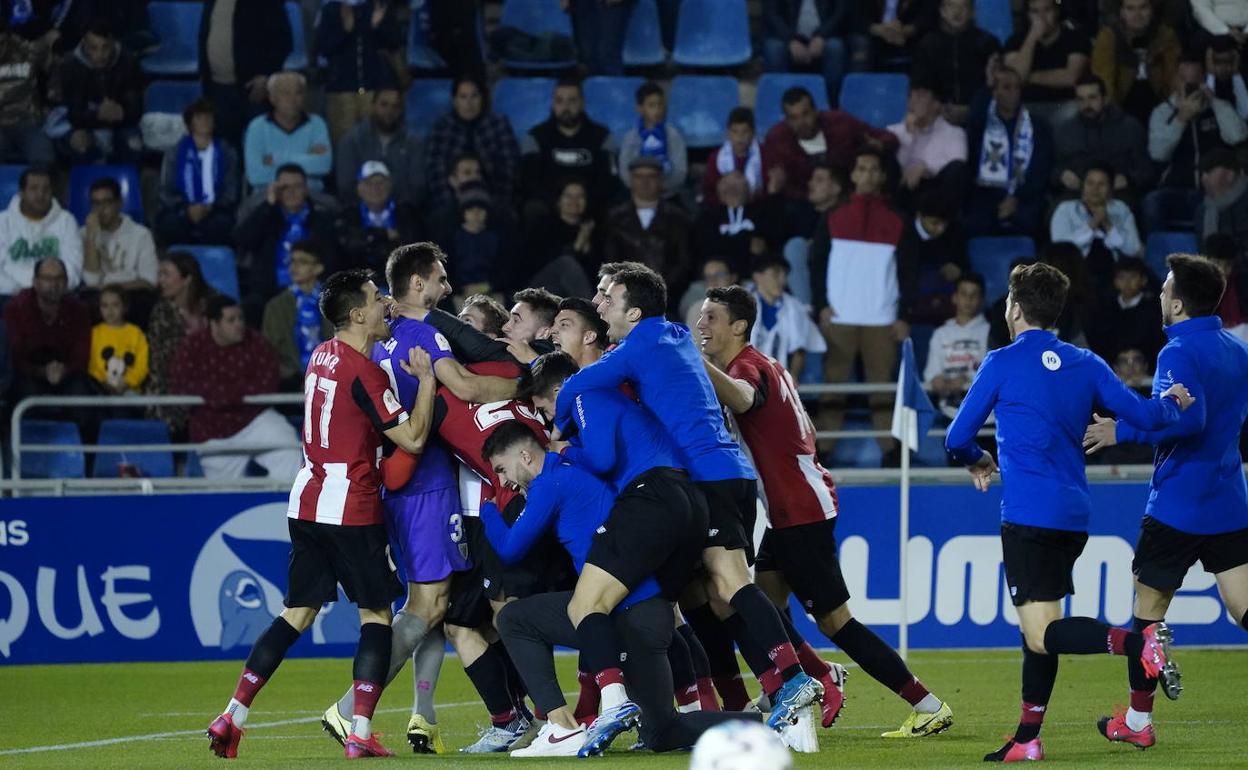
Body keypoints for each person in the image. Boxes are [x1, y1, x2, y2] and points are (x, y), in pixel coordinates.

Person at [556, 267, 825, 735]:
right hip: (727, 470)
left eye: (609, 299)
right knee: (711, 595)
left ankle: (798, 678)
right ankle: (772, 686)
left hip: (708, 473)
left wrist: (558, 423)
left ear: (634, 312)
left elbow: (578, 384)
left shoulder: (641, 344)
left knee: (730, 584)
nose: (600, 307)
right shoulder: (673, 335)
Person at [944, 261, 1190, 762]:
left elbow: (956, 439)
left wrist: (979, 459)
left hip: (1028, 515)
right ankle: (1027, 738)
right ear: (1054, 312)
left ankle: (1138, 643)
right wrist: (1174, 404)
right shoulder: (1086, 362)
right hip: (1073, 515)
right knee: (1037, 633)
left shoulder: (1001, 362)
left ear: (1013, 308)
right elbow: (1144, 415)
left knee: (1041, 632)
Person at [698, 285, 953, 736]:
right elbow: (806, 426)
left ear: (739, 325)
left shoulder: (746, 367)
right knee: (765, 603)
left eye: (712, 317)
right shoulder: (768, 363)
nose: (702, 325)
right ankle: (792, 680)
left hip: (801, 510)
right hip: (790, 506)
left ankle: (927, 703)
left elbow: (742, 398)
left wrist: (695, 362)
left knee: (837, 623)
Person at [206, 268, 435, 760]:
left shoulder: (321, 355)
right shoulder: (365, 372)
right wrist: (428, 382)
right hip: (350, 504)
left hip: (306, 498)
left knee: (296, 612)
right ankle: (359, 732)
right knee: (376, 614)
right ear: (357, 314)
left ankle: (233, 714)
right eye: (377, 299)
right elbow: (413, 438)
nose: (385, 305)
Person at [481, 420, 756, 757]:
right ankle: (765, 725)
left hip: (617, 614)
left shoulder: (551, 482)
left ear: (525, 455)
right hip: (651, 612)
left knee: (513, 619)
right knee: (663, 732)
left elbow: (509, 550)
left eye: (501, 469)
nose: (504, 481)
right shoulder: (578, 470)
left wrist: (486, 509)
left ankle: (561, 727)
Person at [1083, 253, 1248, 748]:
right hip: (1228, 500)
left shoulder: (1176, 353)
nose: (1158, 295)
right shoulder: (1237, 349)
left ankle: (1137, 724)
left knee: (1148, 613)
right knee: (1244, 607)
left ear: (1177, 304)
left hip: (1178, 503)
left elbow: (1186, 419)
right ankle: (1135, 723)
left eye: (1164, 289)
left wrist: (1122, 428)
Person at [522, 351, 719, 755]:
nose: (545, 417)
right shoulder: (612, 399)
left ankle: (613, 704)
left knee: (584, 606)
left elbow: (602, 459)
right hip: (688, 500)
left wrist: (564, 453)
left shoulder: (582, 394)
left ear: (558, 390)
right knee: (666, 610)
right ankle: (712, 716)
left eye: (543, 405)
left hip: (652, 495)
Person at [810, 148, 908, 462]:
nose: (866, 174)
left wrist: (903, 314)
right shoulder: (833, 215)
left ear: (880, 176)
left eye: (872, 169)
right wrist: (822, 306)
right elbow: (816, 262)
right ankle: (823, 450)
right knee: (833, 386)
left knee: (883, 387)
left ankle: (891, 452)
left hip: (882, 318)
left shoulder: (897, 219)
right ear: (853, 175)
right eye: (861, 168)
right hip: (840, 316)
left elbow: (909, 270)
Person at [171, 295, 303, 480]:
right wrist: (236, 392)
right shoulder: (192, 347)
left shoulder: (256, 342)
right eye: (231, 320)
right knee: (224, 494)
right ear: (213, 323)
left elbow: (268, 382)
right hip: (211, 427)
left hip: (253, 419)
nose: (239, 324)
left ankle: (289, 503)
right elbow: (182, 385)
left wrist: (218, 394)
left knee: (287, 442)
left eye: (241, 318)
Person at [1146, 51, 1247, 228]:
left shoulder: (1219, 106)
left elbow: (1237, 137)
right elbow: (1158, 153)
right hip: (1175, 187)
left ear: (1203, 79)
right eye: (1184, 78)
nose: (1189, 84)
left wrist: (1213, 101)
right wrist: (1181, 119)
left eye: (1195, 79)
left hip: (1214, 190)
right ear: (1175, 80)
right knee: (1152, 202)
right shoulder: (1162, 111)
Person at [234, 163, 337, 325]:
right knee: (251, 307)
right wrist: (268, 205)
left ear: (306, 189)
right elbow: (242, 240)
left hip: (313, 287)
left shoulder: (322, 219)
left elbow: (330, 258)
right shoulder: (266, 215)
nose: (291, 192)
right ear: (276, 190)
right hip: (270, 288)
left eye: (297, 186)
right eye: (284, 187)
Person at [762, 87, 899, 205]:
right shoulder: (776, 139)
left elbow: (889, 138)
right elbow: (776, 181)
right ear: (786, 120)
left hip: (848, 198)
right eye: (794, 118)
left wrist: (880, 145)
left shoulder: (841, 122)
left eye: (805, 114)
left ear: (816, 111)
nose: (801, 122)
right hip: (804, 204)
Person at [964, 67, 1053, 237]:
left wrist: (1016, 197)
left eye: (1017, 88)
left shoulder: (1037, 125)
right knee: (974, 222)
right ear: (995, 92)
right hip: (987, 193)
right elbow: (972, 161)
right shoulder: (982, 124)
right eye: (1006, 87)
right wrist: (987, 87)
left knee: (1030, 221)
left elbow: (1041, 167)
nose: (1013, 93)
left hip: (1025, 195)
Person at [198, 0, 292, 147]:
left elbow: (284, 41)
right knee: (226, 153)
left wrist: (266, 77)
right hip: (217, 90)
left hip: (253, 91)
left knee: (259, 149)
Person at [602, 156, 692, 307]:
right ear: (630, 180)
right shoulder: (614, 218)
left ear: (661, 181)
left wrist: (659, 289)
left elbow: (684, 262)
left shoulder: (679, 218)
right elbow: (610, 260)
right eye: (638, 176)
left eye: (651, 176)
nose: (645, 182)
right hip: (624, 298)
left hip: (670, 297)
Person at [2, 257, 91, 406]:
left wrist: (64, 371)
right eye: (47, 278)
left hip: (67, 374)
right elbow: (14, 357)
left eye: (59, 278)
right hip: (28, 374)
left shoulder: (79, 310)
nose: (54, 285)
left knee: (82, 392)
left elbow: (81, 356)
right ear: (35, 282)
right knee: (24, 391)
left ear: (67, 282)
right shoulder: (15, 308)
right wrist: (42, 372)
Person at [521, 77, 616, 217]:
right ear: (553, 105)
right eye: (559, 101)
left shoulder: (602, 136)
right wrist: (562, 202)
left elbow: (609, 181)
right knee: (533, 209)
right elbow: (529, 182)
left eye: (572, 101)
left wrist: (580, 201)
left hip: (591, 203)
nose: (565, 107)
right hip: (551, 203)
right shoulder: (535, 137)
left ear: (582, 104)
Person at [425, 75, 520, 212]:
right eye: (463, 97)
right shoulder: (442, 126)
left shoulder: (498, 123)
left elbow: (509, 167)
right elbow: (435, 170)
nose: (469, 103)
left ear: (483, 99)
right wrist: (451, 206)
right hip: (451, 202)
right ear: (455, 101)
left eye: (474, 96)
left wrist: (493, 205)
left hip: (494, 200)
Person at [1052, 74, 1154, 201]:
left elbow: (1146, 171)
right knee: (1054, 213)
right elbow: (1053, 169)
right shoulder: (1065, 130)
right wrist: (1061, 175)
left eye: (1092, 98)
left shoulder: (1130, 127)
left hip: (1117, 194)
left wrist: (1128, 179)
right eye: (1081, 99)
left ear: (1105, 99)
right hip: (1076, 194)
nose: (1086, 105)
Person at [316, 0, 404, 144]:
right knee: (343, 144)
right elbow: (323, 48)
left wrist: (378, 26)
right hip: (341, 91)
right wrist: (344, 30)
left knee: (375, 144)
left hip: (374, 90)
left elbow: (394, 42)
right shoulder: (331, 9)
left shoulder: (379, 6)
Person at [156, 98, 241, 246]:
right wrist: (187, 209)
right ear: (190, 123)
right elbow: (166, 190)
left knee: (221, 225)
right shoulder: (175, 152)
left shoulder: (227, 151)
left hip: (216, 209)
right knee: (170, 224)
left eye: (209, 118)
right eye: (199, 118)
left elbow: (231, 189)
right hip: (182, 208)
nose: (205, 121)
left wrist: (210, 207)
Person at [56, 18, 143, 164]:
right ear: (84, 44)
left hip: (120, 125)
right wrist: (98, 114)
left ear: (113, 43)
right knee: (79, 143)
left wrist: (122, 112)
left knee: (134, 144)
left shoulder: (128, 61)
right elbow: (73, 114)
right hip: (86, 126)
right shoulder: (71, 65)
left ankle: (126, 182)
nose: (100, 55)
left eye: (105, 47)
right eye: (93, 48)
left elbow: (136, 108)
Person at [1049, 162, 1143, 291]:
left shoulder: (1121, 210)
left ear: (1110, 189)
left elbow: (1133, 249)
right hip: (1076, 275)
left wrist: (1108, 225)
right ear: (1083, 186)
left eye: (1101, 184)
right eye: (1090, 183)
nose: (1095, 189)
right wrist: (1093, 224)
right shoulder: (1066, 210)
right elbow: (1060, 250)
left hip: (1114, 275)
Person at [910, 0, 1001, 126]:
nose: (957, 12)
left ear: (973, 12)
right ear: (942, 11)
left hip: (981, 116)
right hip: (937, 117)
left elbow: (996, 86)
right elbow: (920, 86)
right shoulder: (927, 44)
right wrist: (941, 109)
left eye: (963, 6)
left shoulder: (988, 43)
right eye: (951, 5)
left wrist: (972, 109)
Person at [1090, 0, 1181, 125]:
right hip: (1122, 98)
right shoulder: (1109, 36)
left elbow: (1173, 74)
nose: (1137, 15)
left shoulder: (1165, 34)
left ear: (1152, 10)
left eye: (1143, 7)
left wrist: (1173, 108)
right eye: (1130, 9)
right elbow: (1103, 80)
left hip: (1157, 96)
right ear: (1122, 12)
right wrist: (1112, 115)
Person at [1003, 0, 1091, 125]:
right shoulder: (1015, 41)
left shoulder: (1075, 38)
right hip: (1027, 104)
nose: (1041, 17)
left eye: (1047, 10)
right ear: (1027, 15)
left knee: (1071, 113)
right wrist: (1032, 37)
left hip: (1064, 103)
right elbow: (1014, 78)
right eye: (1035, 11)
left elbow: (1071, 77)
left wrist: (1029, 77)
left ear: (1056, 12)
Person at [0, 167, 83, 298]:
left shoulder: (66, 221)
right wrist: (24, 292)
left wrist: (49, 289)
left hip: (56, 296)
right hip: (11, 296)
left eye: (46, 189)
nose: (40, 194)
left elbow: (73, 270)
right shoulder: (3, 222)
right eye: (33, 189)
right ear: (21, 192)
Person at [261, 240, 333, 391]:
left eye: (302, 262)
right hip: (290, 380)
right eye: (292, 261)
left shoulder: (333, 301)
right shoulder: (276, 306)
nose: (294, 267)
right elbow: (269, 349)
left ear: (318, 268)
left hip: (332, 376)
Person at [243, 72, 333, 191]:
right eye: (285, 93)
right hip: (268, 196)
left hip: (310, 195)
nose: (292, 99)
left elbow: (323, 166)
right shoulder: (257, 127)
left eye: (298, 93)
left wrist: (276, 160)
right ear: (272, 98)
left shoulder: (317, 124)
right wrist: (307, 160)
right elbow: (255, 176)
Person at [335, 88, 425, 208]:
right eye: (384, 104)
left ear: (401, 110)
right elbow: (345, 187)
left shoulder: (413, 143)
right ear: (372, 106)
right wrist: (374, 201)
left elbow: (418, 187)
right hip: (359, 211)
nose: (389, 111)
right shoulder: (351, 141)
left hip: (402, 211)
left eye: (395, 106)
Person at [894, 188, 968, 326]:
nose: (940, 229)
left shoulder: (955, 233)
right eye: (934, 223)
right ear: (919, 216)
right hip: (908, 305)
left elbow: (964, 265)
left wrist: (958, 269)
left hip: (943, 307)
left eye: (944, 224)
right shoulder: (902, 233)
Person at [335, 161, 421, 275]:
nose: (375, 188)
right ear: (359, 188)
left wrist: (369, 240)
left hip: (400, 277)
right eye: (368, 183)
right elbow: (351, 246)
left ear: (390, 184)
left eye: (381, 182)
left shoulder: (406, 212)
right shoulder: (348, 215)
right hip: (360, 280)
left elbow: (411, 245)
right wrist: (385, 234)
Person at [922, 272, 989, 419]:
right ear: (955, 297)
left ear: (982, 300)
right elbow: (932, 371)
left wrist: (966, 380)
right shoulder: (941, 333)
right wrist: (936, 380)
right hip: (951, 415)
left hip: (986, 417)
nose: (968, 299)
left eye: (974, 295)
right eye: (964, 293)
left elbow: (992, 372)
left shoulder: (989, 331)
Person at [887, 79, 968, 199]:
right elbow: (893, 172)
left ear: (936, 104)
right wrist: (908, 136)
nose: (913, 101)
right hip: (901, 195)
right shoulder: (893, 131)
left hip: (935, 197)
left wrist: (925, 168)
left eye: (920, 96)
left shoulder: (955, 133)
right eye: (910, 96)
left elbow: (956, 168)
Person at [80, 177, 158, 301]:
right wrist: (91, 237)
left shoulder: (141, 234)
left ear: (119, 203)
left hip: (131, 296)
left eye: (107, 202)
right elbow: (91, 281)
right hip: (97, 299)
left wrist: (110, 289)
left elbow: (150, 281)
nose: (101, 209)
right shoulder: (84, 233)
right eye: (96, 203)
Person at [746, 255, 825, 377]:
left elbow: (799, 349)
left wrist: (791, 378)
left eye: (784, 275)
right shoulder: (739, 305)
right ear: (757, 276)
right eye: (776, 274)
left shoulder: (794, 307)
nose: (782, 280)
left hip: (780, 375)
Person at [693, 172, 781, 278]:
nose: (731, 188)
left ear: (748, 189)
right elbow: (703, 247)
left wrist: (774, 195)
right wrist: (745, 243)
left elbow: (771, 238)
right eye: (726, 184)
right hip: (715, 278)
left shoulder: (762, 212)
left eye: (737, 183)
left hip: (755, 277)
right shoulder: (707, 217)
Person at [523, 178, 598, 297]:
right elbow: (556, 265)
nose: (574, 201)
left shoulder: (593, 229)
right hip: (541, 289)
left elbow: (595, 272)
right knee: (566, 263)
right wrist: (579, 244)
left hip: (576, 295)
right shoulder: (544, 226)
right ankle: (593, 313)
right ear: (558, 200)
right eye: (568, 196)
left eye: (580, 196)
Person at [762, 0, 849, 101]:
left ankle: (831, 103)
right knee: (774, 49)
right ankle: (778, 101)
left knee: (835, 47)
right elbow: (772, 14)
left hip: (825, 36)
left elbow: (840, 13)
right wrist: (791, 40)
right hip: (787, 37)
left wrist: (822, 36)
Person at [1087, 257, 1165, 364]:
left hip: (1147, 369)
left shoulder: (1155, 310)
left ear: (1143, 280)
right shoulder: (1105, 311)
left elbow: (1158, 343)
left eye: (1133, 277)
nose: (1127, 283)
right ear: (1115, 281)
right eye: (1122, 277)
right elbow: (1098, 343)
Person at [617, 81, 687, 199]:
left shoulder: (673, 135)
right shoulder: (630, 137)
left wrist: (659, 187)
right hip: (637, 196)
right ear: (639, 108)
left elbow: (680, 171)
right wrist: (642, 189)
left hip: (667, 195)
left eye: (660, 105)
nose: (657, 110)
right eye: (651, 105)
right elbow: (625, 171)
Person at [0, 28, 56, 165]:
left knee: (45, 158)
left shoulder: (27, 50)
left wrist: (51, 101)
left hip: (28, 123)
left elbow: (57, 71)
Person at [88, 284, 148, 395]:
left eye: (115, 305)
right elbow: (91, 365)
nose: (110, 310)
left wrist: (127, 383)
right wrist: (103, 383)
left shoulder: (136, 333)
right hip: (100, 388)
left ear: (124, 307)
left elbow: (142, 365)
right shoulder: (94, 333)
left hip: (129, 388)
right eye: (104, 306)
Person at [703, 107, 766, 208]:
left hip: (757, 209)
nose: (739, 137)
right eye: (734, 131)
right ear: (728, 133)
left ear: (753, 133)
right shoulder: (716, 158)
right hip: (724, 209)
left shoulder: (764, 155)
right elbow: (710, 191)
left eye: (745, 132)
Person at [1195, 148, 1248, 245]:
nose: (1204, 178)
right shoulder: (1202, 210)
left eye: (1209, 172)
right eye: (1202, 173)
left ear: (1230, 175)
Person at [1206, 34, 1248, 119]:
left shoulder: (1242, 78)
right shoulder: (1203, 78)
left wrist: (1236, 73)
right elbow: (1209, 112)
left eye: (1227, 61)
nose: (1223, 68)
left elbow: (1245, 113)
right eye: (1218, 62)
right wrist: (1211, 73)